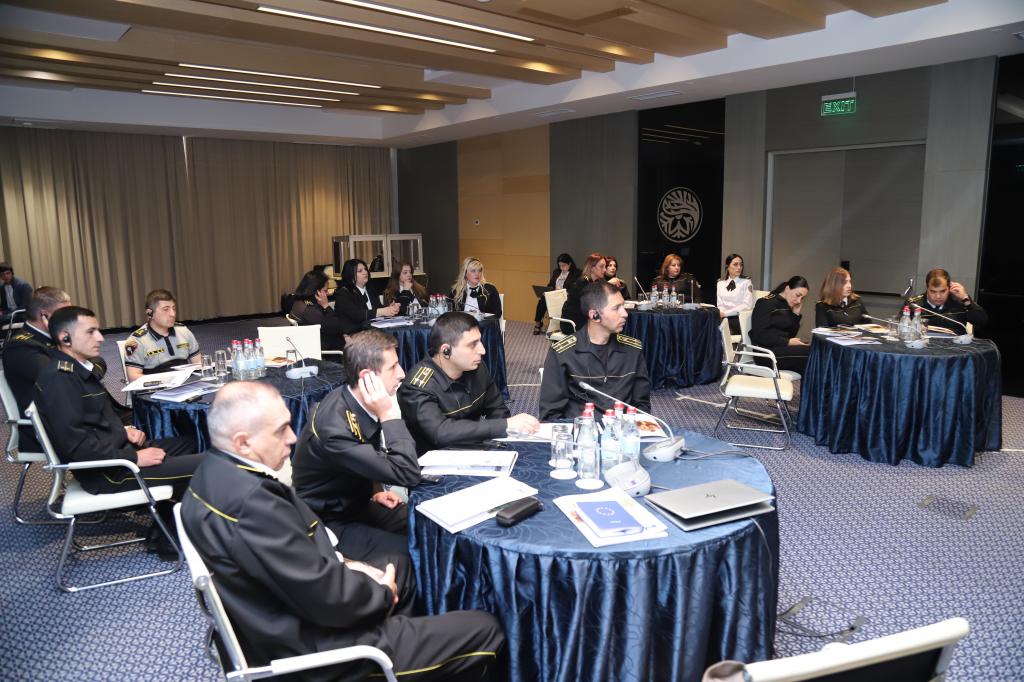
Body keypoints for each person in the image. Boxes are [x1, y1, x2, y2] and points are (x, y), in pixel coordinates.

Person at [182, 381, 506, 682]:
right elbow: (327, 598)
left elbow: (297, 568)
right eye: (280, 430)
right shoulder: (254, 506)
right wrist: (380, 592)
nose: (292, 438)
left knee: (402, 565)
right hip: (316, 650)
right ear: (243, 442)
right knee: (485, 628)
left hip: (281, 617)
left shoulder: (212, 475)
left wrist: (351, 565)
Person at [34, 306, 201, 558]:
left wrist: (123, 431)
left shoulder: (76, 369)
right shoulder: (60, 380)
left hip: (116, 452)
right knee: (208, 461)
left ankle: (164, 525)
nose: (100, 338)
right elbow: (76, 448)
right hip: (109, 472)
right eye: (90, 332)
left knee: (193, 442)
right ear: (65, 338)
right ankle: (171, 542)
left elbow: (90, 422)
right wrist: (135, 458)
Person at [292, 330, 420, 561]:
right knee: (411, 554)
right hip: (326, 522)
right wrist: (388, 415)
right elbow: (408, 473)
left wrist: (376, 490)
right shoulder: (335, 428)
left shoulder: (353, 399)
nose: (402, 373)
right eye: (393, 367)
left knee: (427, 529)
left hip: (355, 503)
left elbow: (365, 453)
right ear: (367, 377)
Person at [399, 312, 538, 452]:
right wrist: (504, 425)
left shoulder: (476, 368)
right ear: (446, 351)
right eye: (472, 345)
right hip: (434, 458)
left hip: (474, 451)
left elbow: (497, 409)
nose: (482, 350)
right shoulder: (417, 386)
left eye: (480, 341)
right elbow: (440, 432)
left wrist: (499, 441)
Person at [540, 281, 651, 420]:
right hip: (581, 430)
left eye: (623, 306)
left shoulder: (633, 350)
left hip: (622, 429)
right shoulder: (563, 353)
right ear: (594, 315)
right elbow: (550, 415)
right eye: (616, 308)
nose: (625, 314)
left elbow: (642, 406)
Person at [3, 287, 71, 453]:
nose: (70, 319)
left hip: (71, 414)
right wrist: (72, 347)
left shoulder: (52, 337)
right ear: (44, 316)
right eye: (64, 314)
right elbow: (62, 378)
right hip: (49, 428)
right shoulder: (21, 345)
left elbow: (97, 364)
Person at [124, 289, 201, 381]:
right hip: (154, 388)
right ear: (150, 313)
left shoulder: (183, 331)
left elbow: (198, 362)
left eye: (174, 308)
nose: (172, 314)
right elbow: (133, 377)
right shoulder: (136, 341)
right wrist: (164, 381)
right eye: (166, 309)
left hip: (185, 384)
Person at [749, 276, 810, 373]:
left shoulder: (787, 305)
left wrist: (795, 315)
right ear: (787, 288)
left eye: (802, 298)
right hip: (765, 353)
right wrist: (787, 342)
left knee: (813, 352)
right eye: (798, 295)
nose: (799, 301)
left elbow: (790, 335)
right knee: (811, 354)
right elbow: (760, 335)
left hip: (780, 348)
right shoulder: (765, 303)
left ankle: (809, 383)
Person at [906, 268, 988, 333]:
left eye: (942, 291)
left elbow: (981, 322)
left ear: (949, 288)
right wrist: (912, 329)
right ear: (927, 288)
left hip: (955, 347)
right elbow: (902, 328)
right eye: (933, 291)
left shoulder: (960, 302)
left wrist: (965, 299)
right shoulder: (913, 304)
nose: (938, 296)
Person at [335, 258, 400, 334]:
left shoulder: (370, 290)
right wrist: (382, 311)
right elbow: (356, 315)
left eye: (365, 269)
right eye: (360, 271)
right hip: (355, 333)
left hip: (374, 331)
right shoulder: (343, 293)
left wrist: (389, 309)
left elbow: (377, 308)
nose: (365, 272)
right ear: (350, 275)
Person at [290, 270, 346, 353]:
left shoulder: (299, 302)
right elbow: (338, 327)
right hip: (323, 347)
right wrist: (326, 306)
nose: (327, 293)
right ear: (315, 291)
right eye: (325, 290)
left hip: (313, 339)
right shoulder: (309, 310)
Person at [533, 253, 580, 335]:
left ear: (569, 264)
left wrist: (563, 291)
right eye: (560, 265)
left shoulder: (576, 273)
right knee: (542, 300)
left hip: (566, 297)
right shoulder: (556, 272)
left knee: (546, 300)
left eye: (564, 265)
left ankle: (558, 326)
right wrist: (548, 290)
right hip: (554, 296)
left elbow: (576, 289)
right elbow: (550, 285)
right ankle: (538, 323)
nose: (562, 268)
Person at [561, 253, 606, 335]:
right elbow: (590, 308)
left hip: (584, 319)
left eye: (605, 267)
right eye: (601, 266)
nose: (605, 270)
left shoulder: (595, 282)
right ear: (592, 268)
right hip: (572, 323)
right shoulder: (582, 284)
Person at [716, 253, 755, 335]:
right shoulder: (720, 283)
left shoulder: (746, 282)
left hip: (738, 318)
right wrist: (722, 314)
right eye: (735, 264)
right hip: (723, 317)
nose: (739, 267)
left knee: (721, 328)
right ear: (727, 267)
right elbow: (720, 305)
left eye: (741, 265)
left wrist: (726, 313)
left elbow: (747, 305)